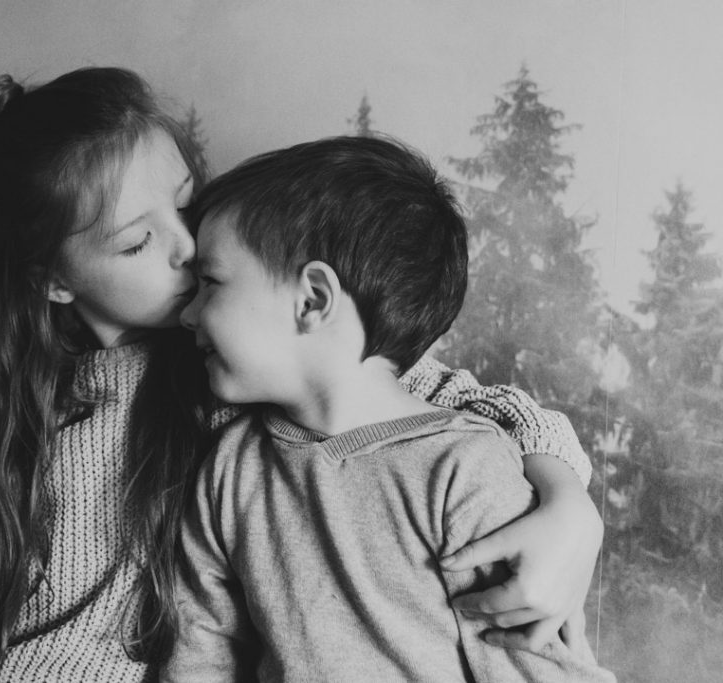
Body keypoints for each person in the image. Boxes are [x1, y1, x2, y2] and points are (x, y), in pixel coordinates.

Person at [0, 67, 601, 683]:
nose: (187, 249)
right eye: (136, 243)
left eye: (185, 204)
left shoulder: (251, 361)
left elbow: (459, 406)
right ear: (54, 280)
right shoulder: (20, 408)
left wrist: (569, 503)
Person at [163, 135, 614, 682]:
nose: (187, 314)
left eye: (210, 282)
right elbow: (201, 654)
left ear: (313, 300)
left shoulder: (464, 472)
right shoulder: (231, 469)